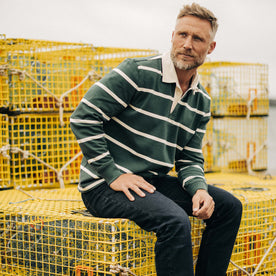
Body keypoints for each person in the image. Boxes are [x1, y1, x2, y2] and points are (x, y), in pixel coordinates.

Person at [70, 3, 242, 276]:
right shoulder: (137, 72)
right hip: (103, 186)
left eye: (197, 38)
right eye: (182, 35)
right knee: (174, 221)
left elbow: (188, 156)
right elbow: (83, 117)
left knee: (229, 207)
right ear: (172, 35)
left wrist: (199, 189)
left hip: (150, 182)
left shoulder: (201, 100)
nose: (187, 44)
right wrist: (113, 174)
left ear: (210, 48)